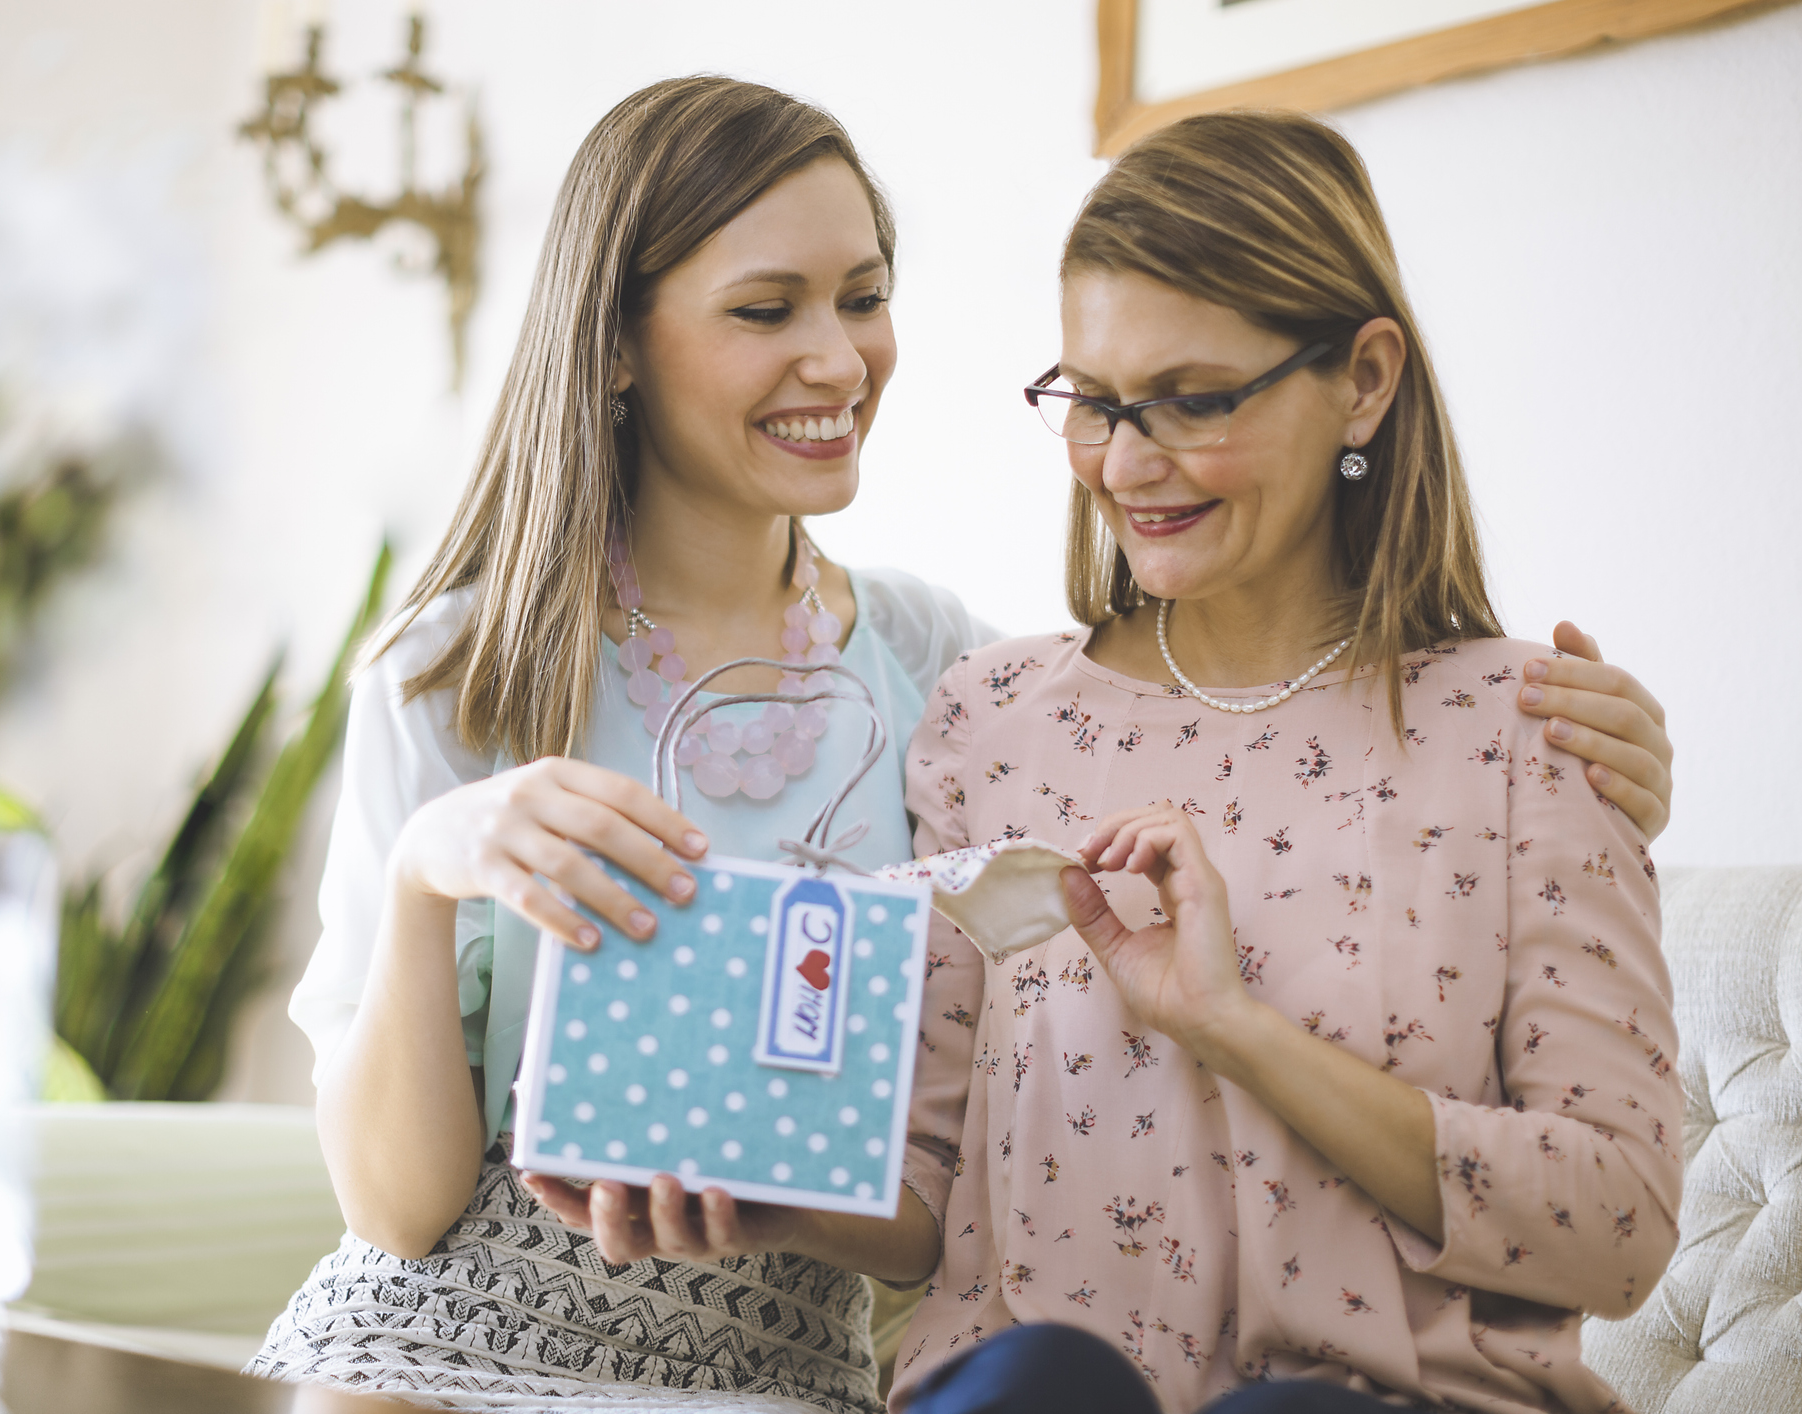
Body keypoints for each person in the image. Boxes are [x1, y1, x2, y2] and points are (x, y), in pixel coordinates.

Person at [249, 78, 1677, 1410]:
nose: (837, 356)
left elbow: (1203, 751)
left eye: (864, 297)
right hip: (461, 1332)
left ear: (1362, 381)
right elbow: (403, 1207)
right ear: (613, 342)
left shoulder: (943, 672)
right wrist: (427, 870)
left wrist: (1583, 779)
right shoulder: (483, 677)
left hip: (789, 1355)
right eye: (766, 308)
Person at [887, 111, 1683, 1413]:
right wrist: (738, 1196)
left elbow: (1619, 1223)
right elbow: (917, 1183)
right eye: (1092, 402)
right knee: (1034, 1379)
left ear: (1362, 379)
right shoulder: (992, 720)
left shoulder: (1526, 730)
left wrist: (1233, 1029)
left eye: (1194, 400)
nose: (1124, 463)